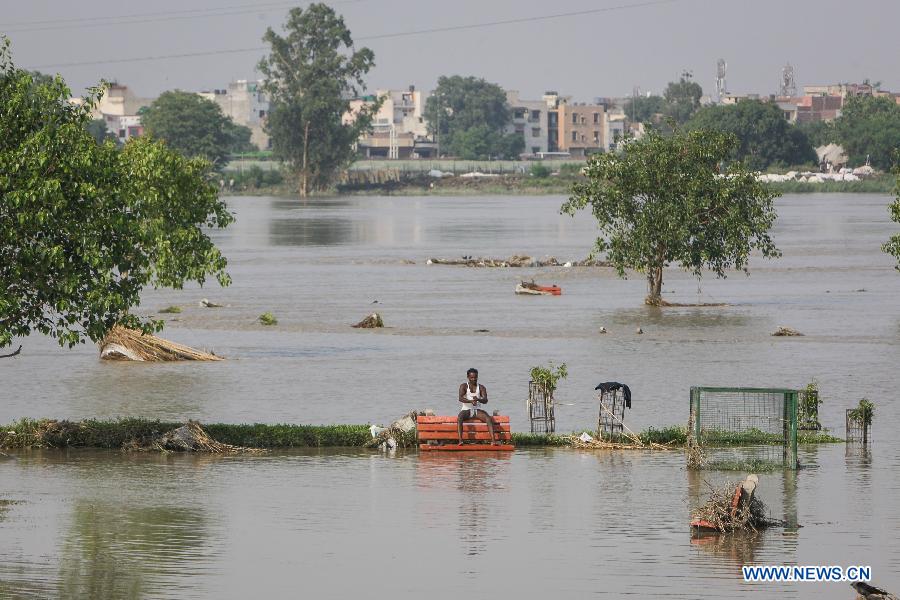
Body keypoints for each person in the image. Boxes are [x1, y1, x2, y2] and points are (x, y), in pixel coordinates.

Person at [457, 368, 499, 445]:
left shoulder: (481, 387)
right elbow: (460, 398)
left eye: (475, 377)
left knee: (488, 418)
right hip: (466, 410)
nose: (474, 379)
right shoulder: (464, 386)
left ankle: (493, 441)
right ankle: (460, 441)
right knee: (460, 417)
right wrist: (470, 401)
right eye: (472, 377)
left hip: (477, 410)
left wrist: (479, 399)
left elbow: (485, 400)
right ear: (468, 377)